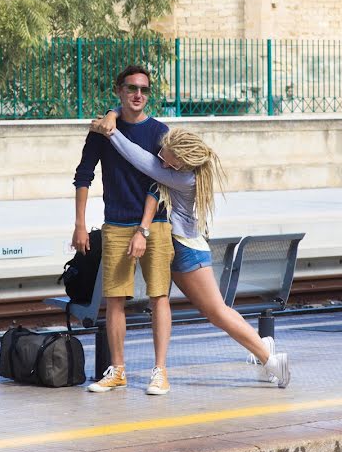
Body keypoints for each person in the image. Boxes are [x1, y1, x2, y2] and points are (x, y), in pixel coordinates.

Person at [89, 115, 291, 388]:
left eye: (167, 158)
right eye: (161, 153)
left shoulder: (183, 178)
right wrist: (114, 116)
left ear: (180, 163)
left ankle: (270, 358)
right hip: (185, 247)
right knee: (217, 311)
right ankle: (262, 347)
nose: (161, 159)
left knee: (216, 313)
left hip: (186, 250)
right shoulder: (180, 172)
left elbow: (139, 159)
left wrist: (112, 133)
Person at [72, 65, 175, 396]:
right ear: (119, 91)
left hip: (154, 225)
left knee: (159, 297)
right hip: (115, 223)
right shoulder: (102, 132)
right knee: (114, 299)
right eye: (131, 88)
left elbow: (161, 183)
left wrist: (142, 230)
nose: (138, 95)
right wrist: (79, 224)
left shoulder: (161, 132)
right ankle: (117, 371)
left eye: (144, 90)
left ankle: (160, 371)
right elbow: (84, 175)